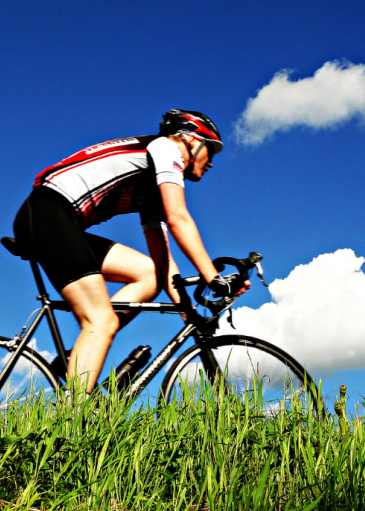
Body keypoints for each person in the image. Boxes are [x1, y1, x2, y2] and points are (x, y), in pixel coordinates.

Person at [13, 109, 249, 393]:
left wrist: (185, 307)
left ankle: (79, 354)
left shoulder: (151, 185)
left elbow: (162, 262)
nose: (211, 162)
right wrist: (214, 279)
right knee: (100, 321)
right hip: (48, 213)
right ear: (190, 140)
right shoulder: (166, 147)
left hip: (55, 219)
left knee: (148, 274)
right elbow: (179, 219)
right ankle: (71, 422)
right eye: (210, 150)